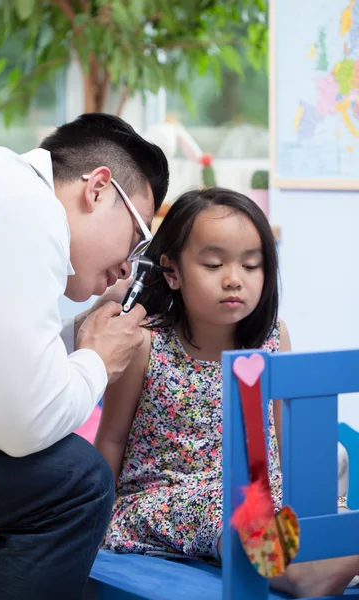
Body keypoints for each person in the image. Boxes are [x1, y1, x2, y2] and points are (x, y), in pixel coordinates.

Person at [95, 187, 359, 598]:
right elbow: (110, 437)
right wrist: (89, 520)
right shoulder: (146, 344)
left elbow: (284, 437)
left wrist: (316, 504)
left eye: (251, 265)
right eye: (214, 264)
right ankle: (304, 574)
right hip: (169, 497)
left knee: (323, 508)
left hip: (261, 491)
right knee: (235, 509)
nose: (234, 279)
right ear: (172, 272)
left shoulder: (272, 337)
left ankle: (324, 556)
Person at [0, 113, 169, 600]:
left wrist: (81, 350)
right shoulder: (26, 209)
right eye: (137, 238)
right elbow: (22, 424)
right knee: (80, 483)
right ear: (97, 188)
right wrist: (96, 361)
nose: (126, 266)